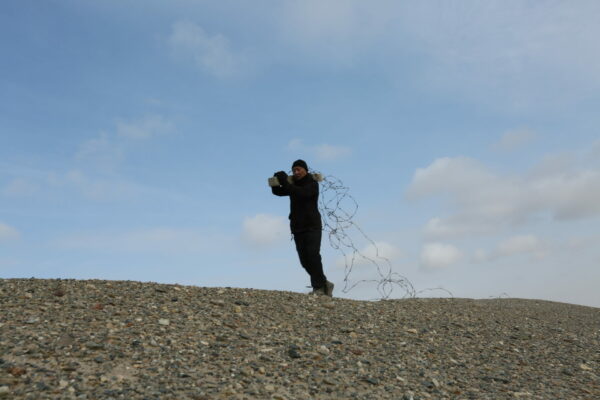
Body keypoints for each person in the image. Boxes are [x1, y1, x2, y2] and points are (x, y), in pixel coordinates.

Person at [272, 160, 334, 297]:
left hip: (312, 226)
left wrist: (285, 181)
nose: (296, 172)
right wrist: (275, 182)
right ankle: (325, 283)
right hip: (297, 227)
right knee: (304, 261)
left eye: (299, 169)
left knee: (313, 255)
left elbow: (300, 193)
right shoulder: (293, 184)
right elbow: (279, 192)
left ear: (305, 170)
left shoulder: (312, 184)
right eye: (294, 170)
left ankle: (318, 288)